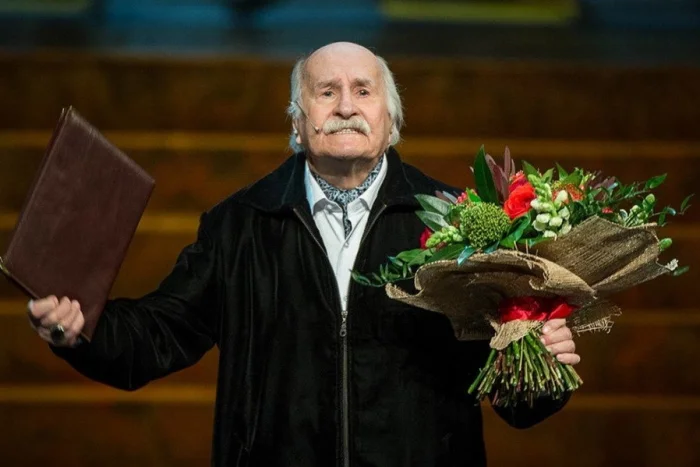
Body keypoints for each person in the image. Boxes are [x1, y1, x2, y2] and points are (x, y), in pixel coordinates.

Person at [27, 42, 580, 467]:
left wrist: (542, 367)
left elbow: (509, 394)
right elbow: (158, 335)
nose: (346, 107)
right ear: (297, 122)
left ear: (391, 121)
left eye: (363, 91)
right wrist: (81, 330)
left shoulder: (458, 221)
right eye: (326, 92)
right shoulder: (240, 224)